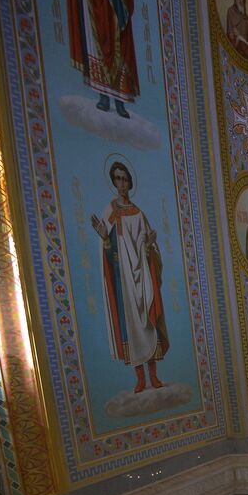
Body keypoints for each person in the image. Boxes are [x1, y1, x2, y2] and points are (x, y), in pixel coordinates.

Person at [91, 161, 169, 394]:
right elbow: (107, 250)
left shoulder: (138, 214)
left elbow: (148, 247)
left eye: (125, 179)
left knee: (148, 324)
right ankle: (140, 379)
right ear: (113, 181)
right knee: (132, 329)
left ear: (129, 182)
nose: (122, 184)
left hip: (142, 277)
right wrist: (105, 239)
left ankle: (153, 376)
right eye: (118, 179)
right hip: (123, 279)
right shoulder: (110, 212)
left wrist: (149, 245)